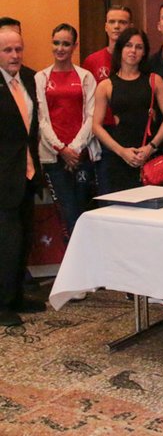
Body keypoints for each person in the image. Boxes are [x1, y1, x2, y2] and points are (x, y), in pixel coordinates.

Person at [35, 23, 100, 237]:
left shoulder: (86, 77)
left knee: (82, 212)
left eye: (66, 44)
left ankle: (84, 255)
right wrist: (61, 149)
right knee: (67, 213)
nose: (60, 48)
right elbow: (42, 119)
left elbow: (92, 116)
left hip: (81, 156)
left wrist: (74, 149)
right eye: (56, 43)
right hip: (53, 157)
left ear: (74, 46)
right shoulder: (41, 78)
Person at [0, 26, 46, 326]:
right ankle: (2, 304)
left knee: (24, 239)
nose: (15, 55)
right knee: (6, 242)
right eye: (7, 50)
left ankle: (16, 295)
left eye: (18, 49)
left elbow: (32, 128)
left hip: (27, 174)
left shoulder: (29, 78)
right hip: (3, 177)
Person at [92, 28, 163, 194]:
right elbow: (96, 126)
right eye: (128, 45)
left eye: (139, 47)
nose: (133, 51)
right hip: (118, 158)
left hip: (150, 158)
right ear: (120, 49)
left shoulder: (155, 81)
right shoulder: (106, 86)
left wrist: (151, 147)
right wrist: (121, 151)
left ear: (144, 52)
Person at [83, 6, 133, 194]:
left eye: (122, 22)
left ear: (130, 26)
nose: (117, 26)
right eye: (112, 22)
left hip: (130, 133)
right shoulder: (92, 61)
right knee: (107, 191)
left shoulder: (136, 58)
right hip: (102, 133)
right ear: (105, 26)